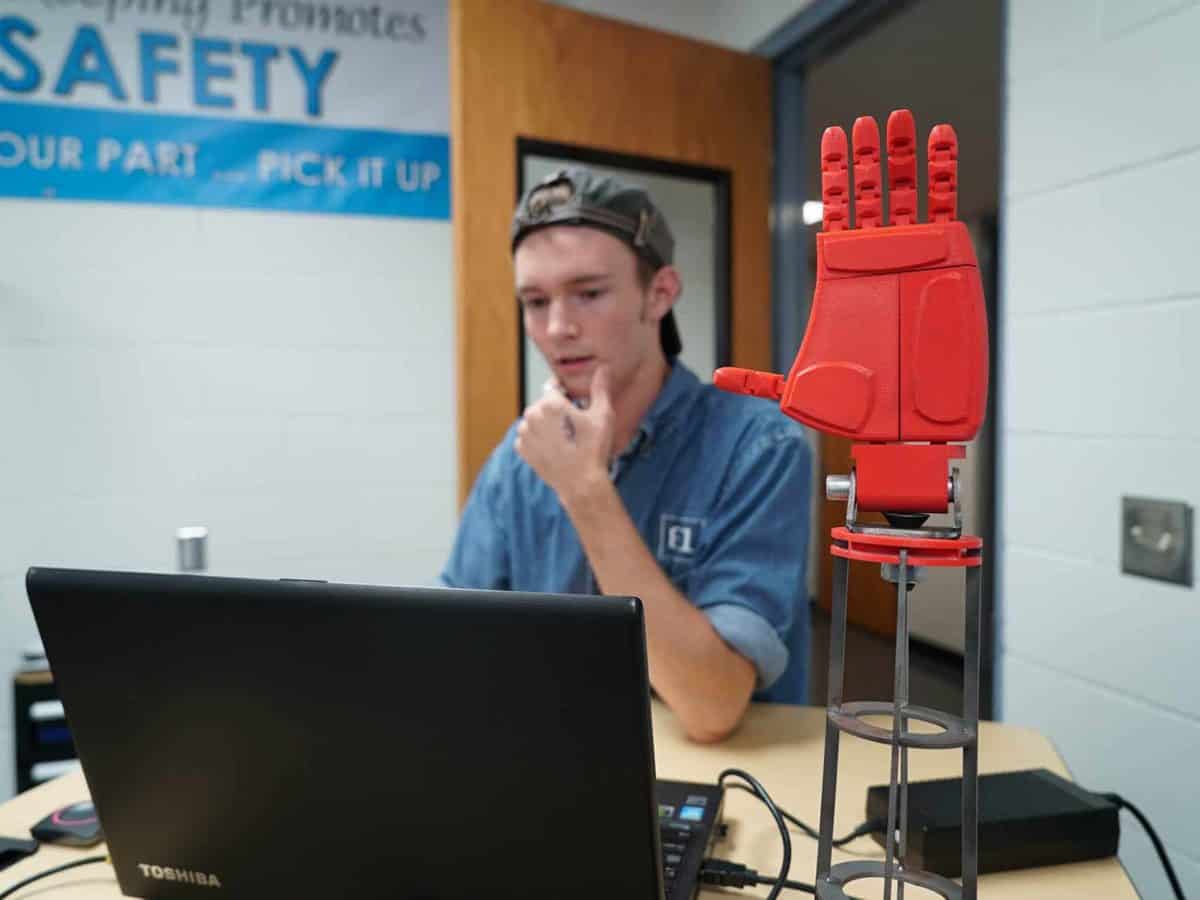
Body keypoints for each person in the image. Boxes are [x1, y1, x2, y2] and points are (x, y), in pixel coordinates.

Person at [441, 167, 811, 743]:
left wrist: (586, 493)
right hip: (557, 753)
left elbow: (711, 707)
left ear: (660, 293)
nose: (558, 327)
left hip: (730, 777)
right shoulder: (520, 460)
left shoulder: (757, 446)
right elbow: (452, 648)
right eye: (535, 302)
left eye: (588, 293)